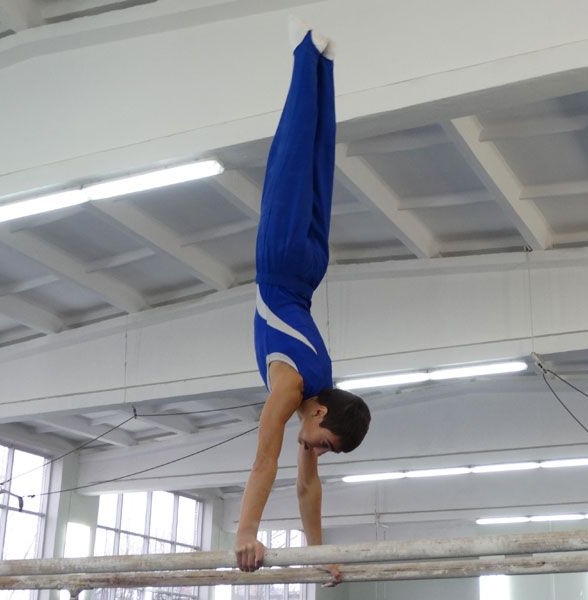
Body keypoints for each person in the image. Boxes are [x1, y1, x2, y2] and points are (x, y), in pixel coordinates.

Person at [233, 19, 371, 585]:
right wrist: (245, 532)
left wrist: (319, 553)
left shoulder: (322, 387)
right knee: (292, 153)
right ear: (319, 414)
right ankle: (302, 50)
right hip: (283, 259)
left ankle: (324, 63)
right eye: (326, 443)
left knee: (318, 161)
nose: (318, 451)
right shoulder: (291, 389)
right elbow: (265, 461)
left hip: (312, 270)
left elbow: (306, 487)